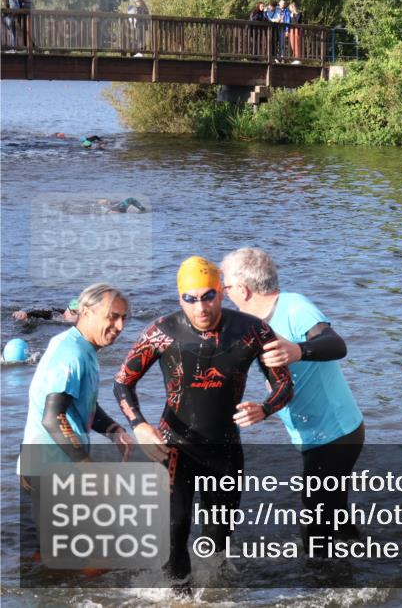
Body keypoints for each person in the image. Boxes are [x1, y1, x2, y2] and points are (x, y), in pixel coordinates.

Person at [112, 256, 293, 586]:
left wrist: (265, 409)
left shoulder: (253, 331)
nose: (201, 307)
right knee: (175, 530)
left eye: (208, 296)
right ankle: (177, 600)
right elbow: (122, 382)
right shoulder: (161, 332)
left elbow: (284, 385)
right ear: (180, 298)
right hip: (173, 449)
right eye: (190, 299)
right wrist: (139, 425)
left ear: (222, 292)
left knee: (218, 538)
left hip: (224, 451)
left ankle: (215, 596)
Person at [221, 247, 364, 545]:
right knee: (334, 515)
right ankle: (367, 565)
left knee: (314, 522)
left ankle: (325, 585)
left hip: (336, 432)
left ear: (243, 290)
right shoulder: (250, 324)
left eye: (225, 286)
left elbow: (336, 344)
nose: (223, 292)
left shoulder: (295, 307)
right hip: (313, 434)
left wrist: (299, 351)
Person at [19, 284, 134, 475]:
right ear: (86, 312)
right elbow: (53, 417)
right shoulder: (72, 354)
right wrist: (87, 467)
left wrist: (114, 431)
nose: (120, 326)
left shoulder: (79, 346)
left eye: (123, 318)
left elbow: (82, 403)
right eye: (112, 316)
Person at [12, 298, 80, 323]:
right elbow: (36, 309)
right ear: (71, 311)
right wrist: (24, 312)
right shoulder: (54, 314)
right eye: (79, 315)